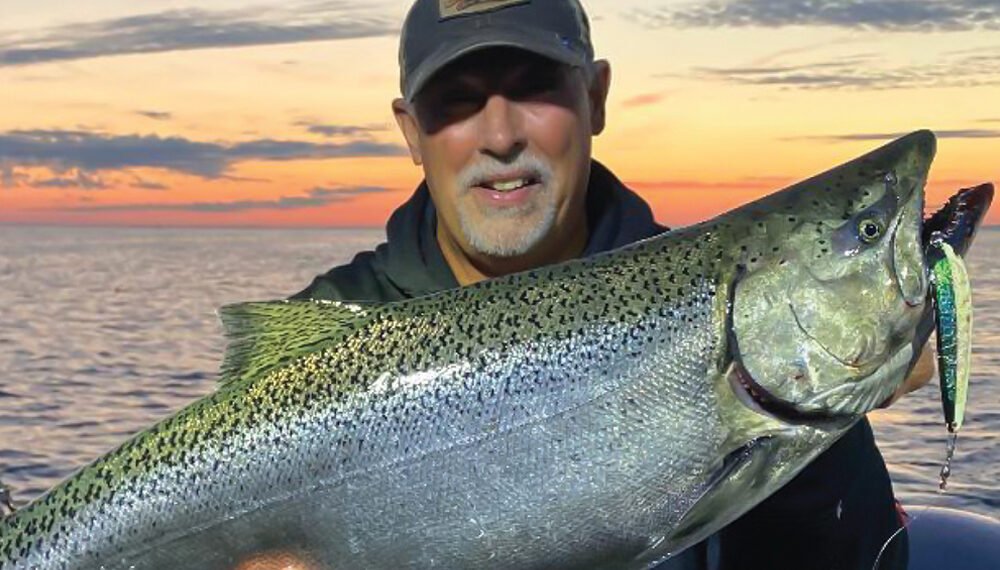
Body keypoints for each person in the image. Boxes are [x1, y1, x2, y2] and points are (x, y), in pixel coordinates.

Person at [292, 0, 934, 568]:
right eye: (456, 102)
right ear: (410, 130)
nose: (500, 135)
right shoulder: (322, 337)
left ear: (595, 98)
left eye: (536, 87)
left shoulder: (730, 312)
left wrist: (820, 447)